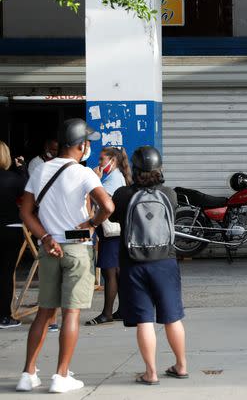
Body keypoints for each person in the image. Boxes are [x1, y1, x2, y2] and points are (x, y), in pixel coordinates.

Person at [17, 118, 113, 393]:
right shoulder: (83, 173)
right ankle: (61, 376)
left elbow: (25, 211)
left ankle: (28, 373)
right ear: (81, 145)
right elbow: (107, 204)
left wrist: (45, 237)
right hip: (77, 246)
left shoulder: (40, 170)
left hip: (50, 248)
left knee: (44, 313)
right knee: (71, 313)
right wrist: (93, 223)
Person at [110, 146, 188, 385]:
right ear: (158, 168)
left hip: (133, 263)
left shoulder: (123, 195)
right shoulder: (169, 194)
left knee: (144, 319)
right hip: (165, 260)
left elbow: (113, 217)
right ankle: (181, 366)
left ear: (135, 169)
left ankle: (150, 373)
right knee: (172, 317)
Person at [85, 146, 131, 326]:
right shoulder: (115, 176)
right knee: (116, 272)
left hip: (111, 232)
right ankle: (122, 309)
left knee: (109, 272)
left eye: (102, 159)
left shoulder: (113, 179)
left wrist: (94, 182)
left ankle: (107, 313)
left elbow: (103, 202)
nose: (99, 163)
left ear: (113, 161)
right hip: (113, 232)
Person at [0, 141, 28, 329]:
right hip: (10, 228)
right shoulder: (12, 178)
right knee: (6, 273)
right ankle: (4, 315)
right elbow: (28, 193)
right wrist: (22, 170)